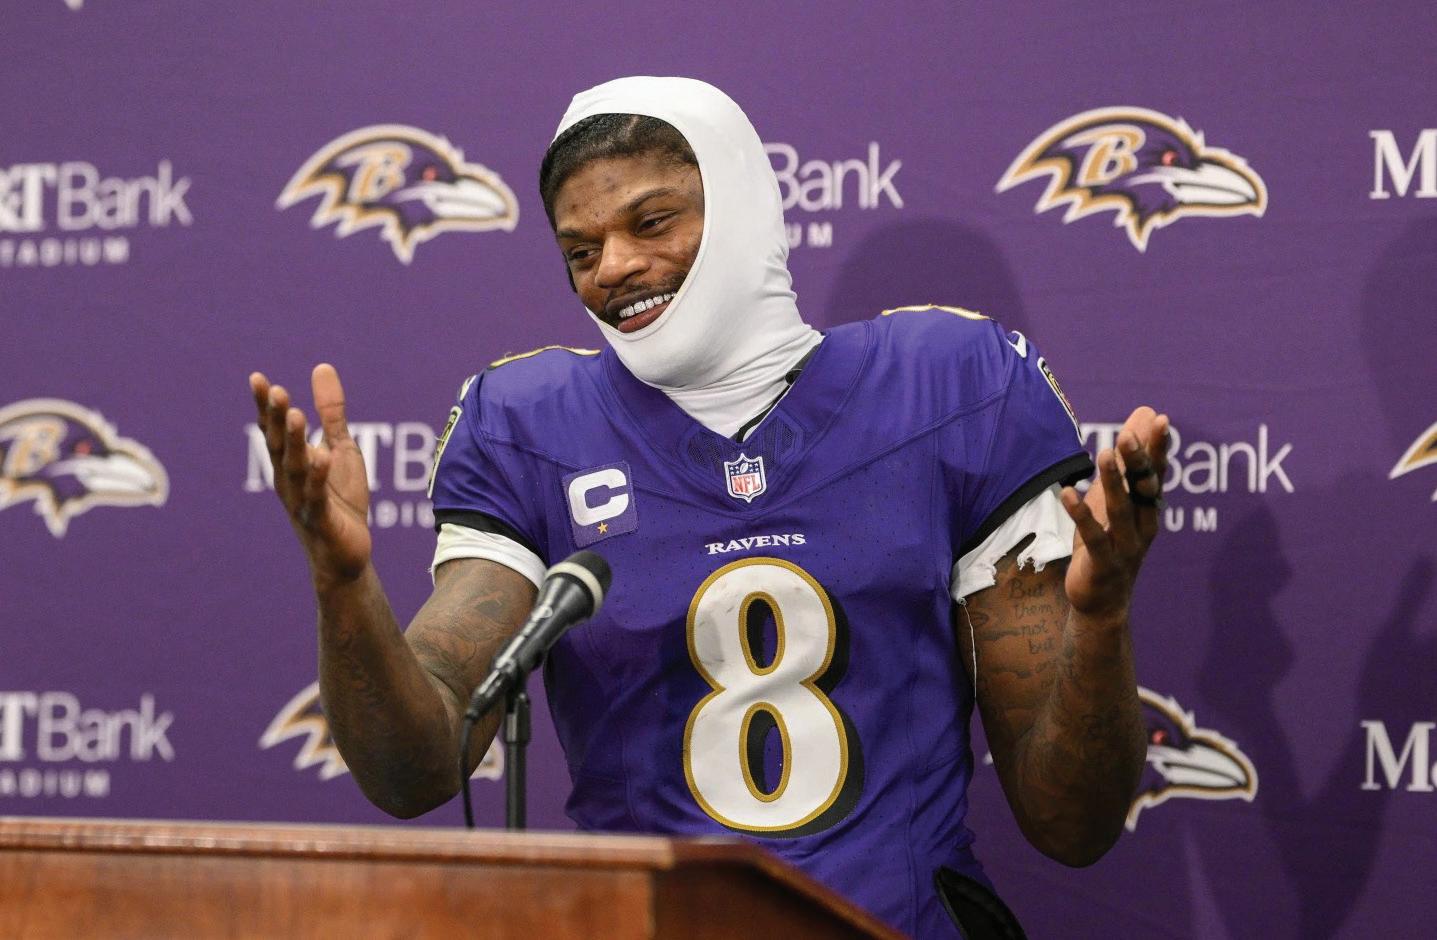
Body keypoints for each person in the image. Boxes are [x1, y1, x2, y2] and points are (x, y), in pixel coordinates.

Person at [250, 77, 1169, 938]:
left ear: (739, 208)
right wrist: (343, 586)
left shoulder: (948, 384)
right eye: (579, 251)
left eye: (651, 221)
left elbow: (1071, 822)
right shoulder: (526, 423)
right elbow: (416, 769)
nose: (614, 266)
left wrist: (1098, 620)